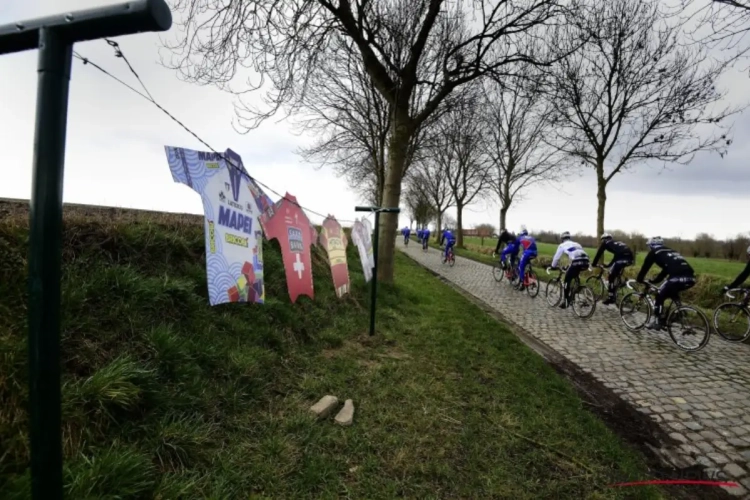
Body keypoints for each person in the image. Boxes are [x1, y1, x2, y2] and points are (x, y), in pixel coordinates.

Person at [636, 236, 696, 330]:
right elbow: (666, 270)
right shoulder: (671, 251)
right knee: (672, 291)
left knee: (659, 294)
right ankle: (679, 313)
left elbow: (645, 267)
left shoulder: (654, 252)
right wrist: (655, 281)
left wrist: (639, 279)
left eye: (649, 246)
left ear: (652, 245)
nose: (649, 248)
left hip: (677, 277)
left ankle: (658, 322)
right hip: (691, 278)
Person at [550, 231, 590, 309]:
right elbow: (574, 256)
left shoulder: (562, 245)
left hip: (576, 262)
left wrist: (553, 266)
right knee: (575, 274)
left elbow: (556, 257)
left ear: (562, 239)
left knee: (567, 281)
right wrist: (568, 266)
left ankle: (566, 301)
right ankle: (577, 290)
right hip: (586, 261)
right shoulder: (577, 244)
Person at [592, 233, 635, 305]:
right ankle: (619, 284)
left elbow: (599, 254)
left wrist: (594, 264)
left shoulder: (606, 243)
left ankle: (611, 297)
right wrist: (609, 265)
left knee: (611, 276)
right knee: (615, 271)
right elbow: (616, 257)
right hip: (629, 259)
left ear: (604, 239)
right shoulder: (616, 243)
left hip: (621, 259)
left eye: (602, 240)